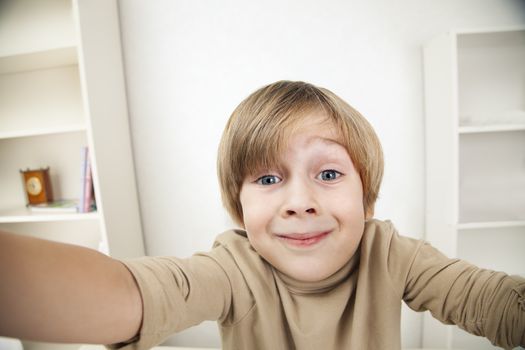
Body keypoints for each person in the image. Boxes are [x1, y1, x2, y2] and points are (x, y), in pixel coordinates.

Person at [0, 81, 523, 349]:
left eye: (329, 174)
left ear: (367, 199)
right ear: (240, 208)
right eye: (269, 179)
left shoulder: (392, 254)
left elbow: (490, 301)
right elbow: (131, 293)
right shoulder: (234, 269)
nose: (299, 200)